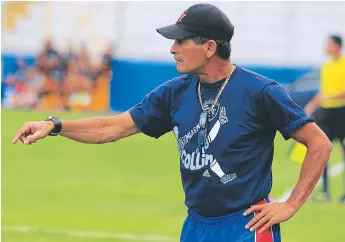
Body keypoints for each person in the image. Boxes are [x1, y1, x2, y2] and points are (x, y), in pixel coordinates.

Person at [12, 3, 332, 242]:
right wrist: (55, 125)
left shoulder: (260, 92)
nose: (172, 49)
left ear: (209, 47)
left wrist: (290, 204)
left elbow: (318, 143)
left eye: (181, 41)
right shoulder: (174, 93)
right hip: (195, 226)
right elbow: (113, 127)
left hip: (246, 227)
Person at [304, 34, 345, 204]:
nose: (325, 47)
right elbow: (323, 92)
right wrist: (311, 106)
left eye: (328, 44)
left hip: (342, 112)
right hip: (327, 114)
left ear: (336, 46)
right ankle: (325, 191)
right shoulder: (326, 67)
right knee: (323, 151)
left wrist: (329, 96)